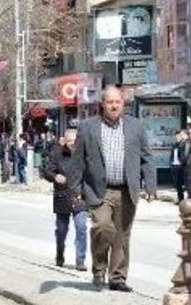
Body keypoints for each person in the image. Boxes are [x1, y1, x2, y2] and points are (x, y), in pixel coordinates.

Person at [66, 86, 157, 292]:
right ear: (103, 104)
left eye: (117, 102)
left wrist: (150, 185)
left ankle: (117, 278)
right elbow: (77, 161)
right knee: (102, 228)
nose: (114, 106)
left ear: (123, 104)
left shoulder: (135, 126)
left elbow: (146, 158)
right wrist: (75, 190)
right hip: (99, 190)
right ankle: (99, 269)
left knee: (122, 236)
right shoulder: (88, 127)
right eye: (110, 102)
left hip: (127, 189)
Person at [41, 128, 88, 270]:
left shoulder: (84, 154)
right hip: (62, 196)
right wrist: (55, 176)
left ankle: (80, 260)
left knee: (81, 227)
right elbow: (47, 170)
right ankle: (60, 255)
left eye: (75, 141)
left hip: (80, 196)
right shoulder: (56, 153)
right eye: (69, 142)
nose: (72, 144)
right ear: (64, 141)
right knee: (62, 230)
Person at [172, 130, 190, 203]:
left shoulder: (186, 143)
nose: (179, 136)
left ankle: (187, 200)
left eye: (181, 135)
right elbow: (173, 155)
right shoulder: (176, 144)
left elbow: (185, 155)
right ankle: (181, 199)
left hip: (184, 166)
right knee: (178, 183)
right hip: (176, 166)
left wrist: (182, 162)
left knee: (187, 183)